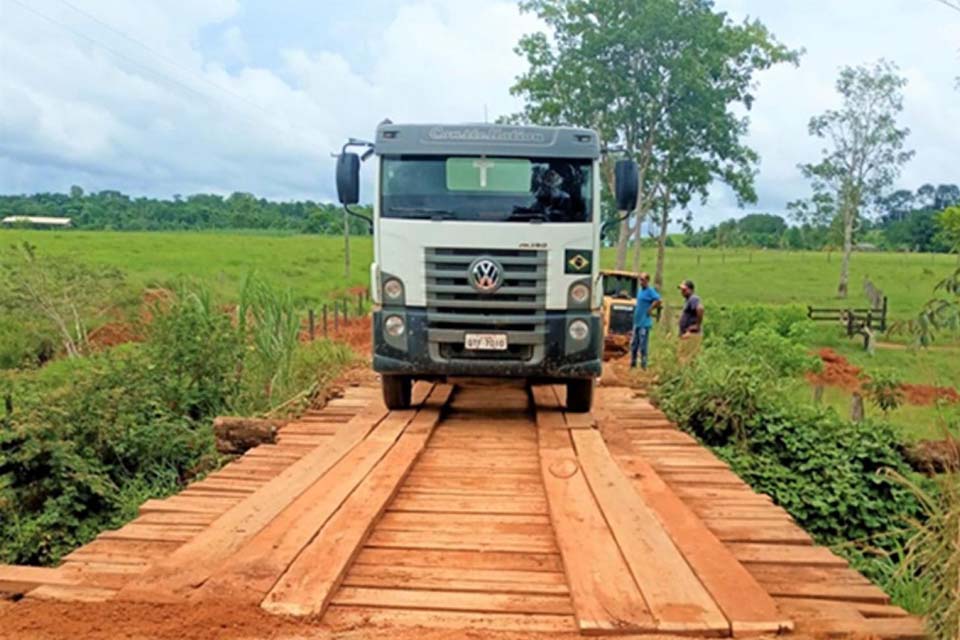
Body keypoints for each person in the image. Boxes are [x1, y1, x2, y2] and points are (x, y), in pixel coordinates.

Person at [630, 272, 661, 369]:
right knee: (634, 344)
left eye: (643, 280)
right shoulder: (640, 291)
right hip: (637, 322)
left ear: (647, 281)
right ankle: (633, 364)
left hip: (645, 322)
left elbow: (658, 300)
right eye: (640, 280)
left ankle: (644, 365)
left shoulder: (650, 291)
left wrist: (651, 308)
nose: (641, 282)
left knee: (643, 345)